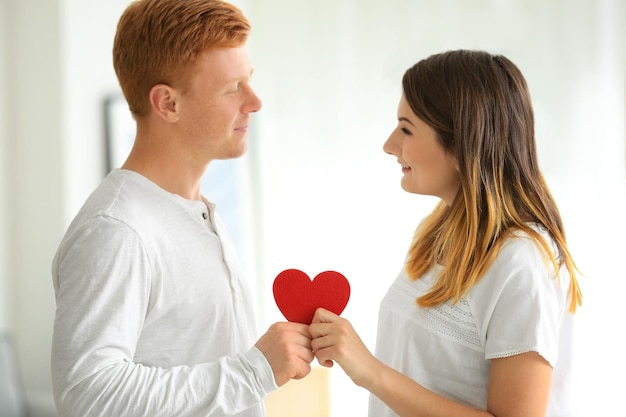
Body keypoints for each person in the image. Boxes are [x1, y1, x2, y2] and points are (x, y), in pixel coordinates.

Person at [50, 1, 314, 416]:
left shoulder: (196, 212)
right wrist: (255, 370)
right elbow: (89, 396)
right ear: (168, 104)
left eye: (250, 81)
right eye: (233, 88)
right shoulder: (117, 230)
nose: (255, 101)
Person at [309, 49, 583, 417]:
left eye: (406, 129)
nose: (389, 145)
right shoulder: (437, 233)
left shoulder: (522, 264)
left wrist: (369, 371)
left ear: (462, 144)